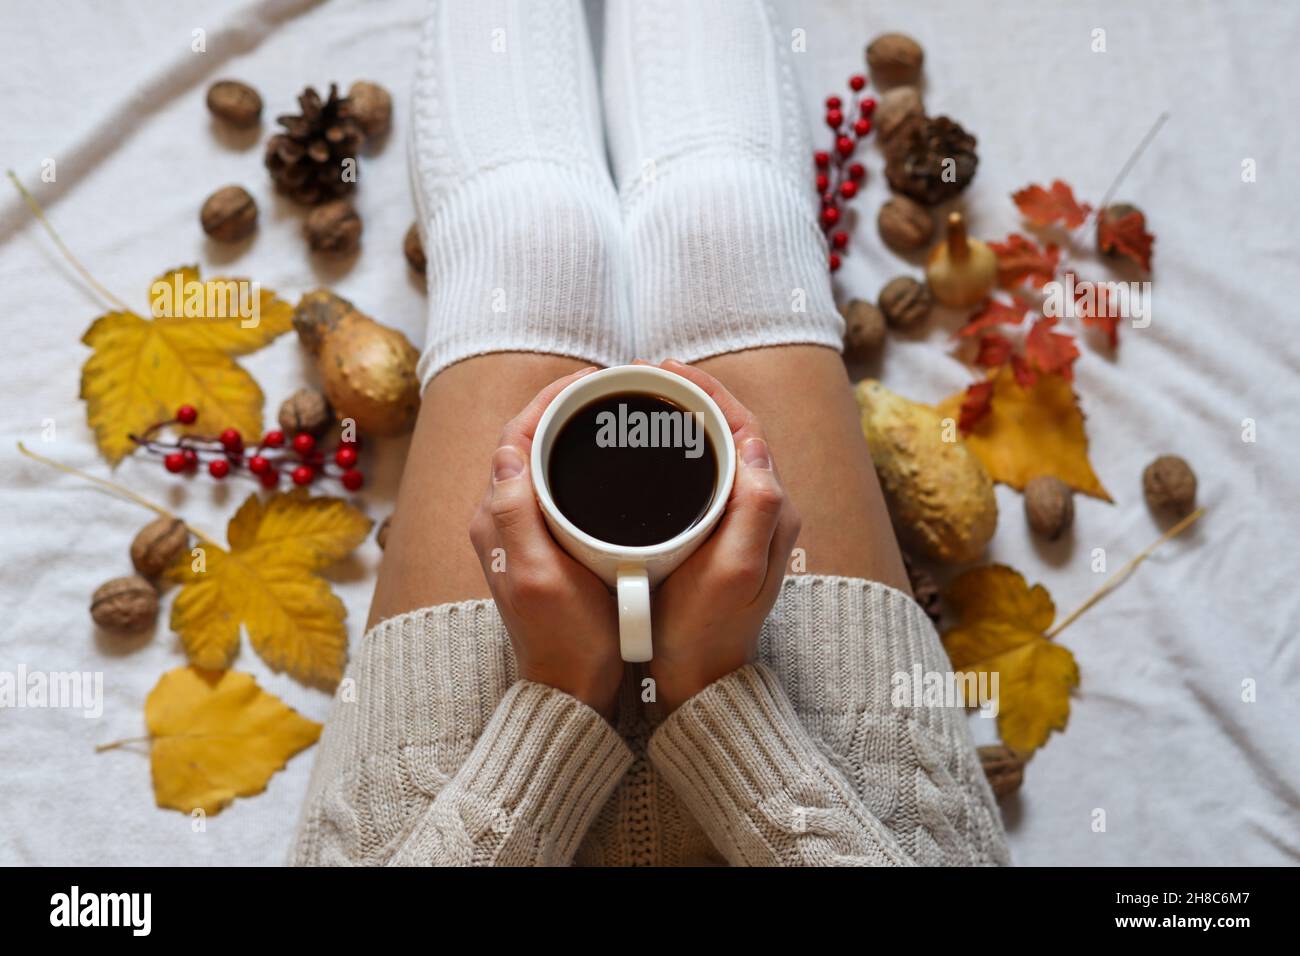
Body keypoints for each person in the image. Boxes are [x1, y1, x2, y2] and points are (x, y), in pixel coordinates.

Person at [291, 0, 1007, 866]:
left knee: (528, 231)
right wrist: (714, 685)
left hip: (456, 806)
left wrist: (555, 694)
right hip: (839, 795)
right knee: (729, 219)